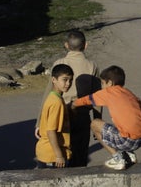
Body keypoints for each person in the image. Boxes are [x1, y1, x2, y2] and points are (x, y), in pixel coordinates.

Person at [72, 65, 141, 170]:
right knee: (120, 124)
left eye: (103, 83)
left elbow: (87, 99)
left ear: (109, 83)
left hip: (128, 141)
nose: (102, 87)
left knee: (95, 124)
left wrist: (73, 105)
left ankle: (117, 158)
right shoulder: (130, 94)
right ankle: (127, 154)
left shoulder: (109, 92)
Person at [35, 30, 100, 167]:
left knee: (62, 152)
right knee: (80, 156)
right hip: (82, 115)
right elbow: (97, 97)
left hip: (61, 114)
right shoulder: (92, 65)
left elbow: (48, 93)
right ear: (86, 45)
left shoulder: (59, 63)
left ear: (66, 45)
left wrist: (39, 122)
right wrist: (96, 122)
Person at [35, 64, 73, 168]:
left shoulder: (52, 97)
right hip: (52, 156)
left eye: (70, 80)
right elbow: (51, 131)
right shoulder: (57, 102)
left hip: (45, 152)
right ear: (53, 79)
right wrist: (59, 156)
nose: (68, 83)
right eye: (64, 80)